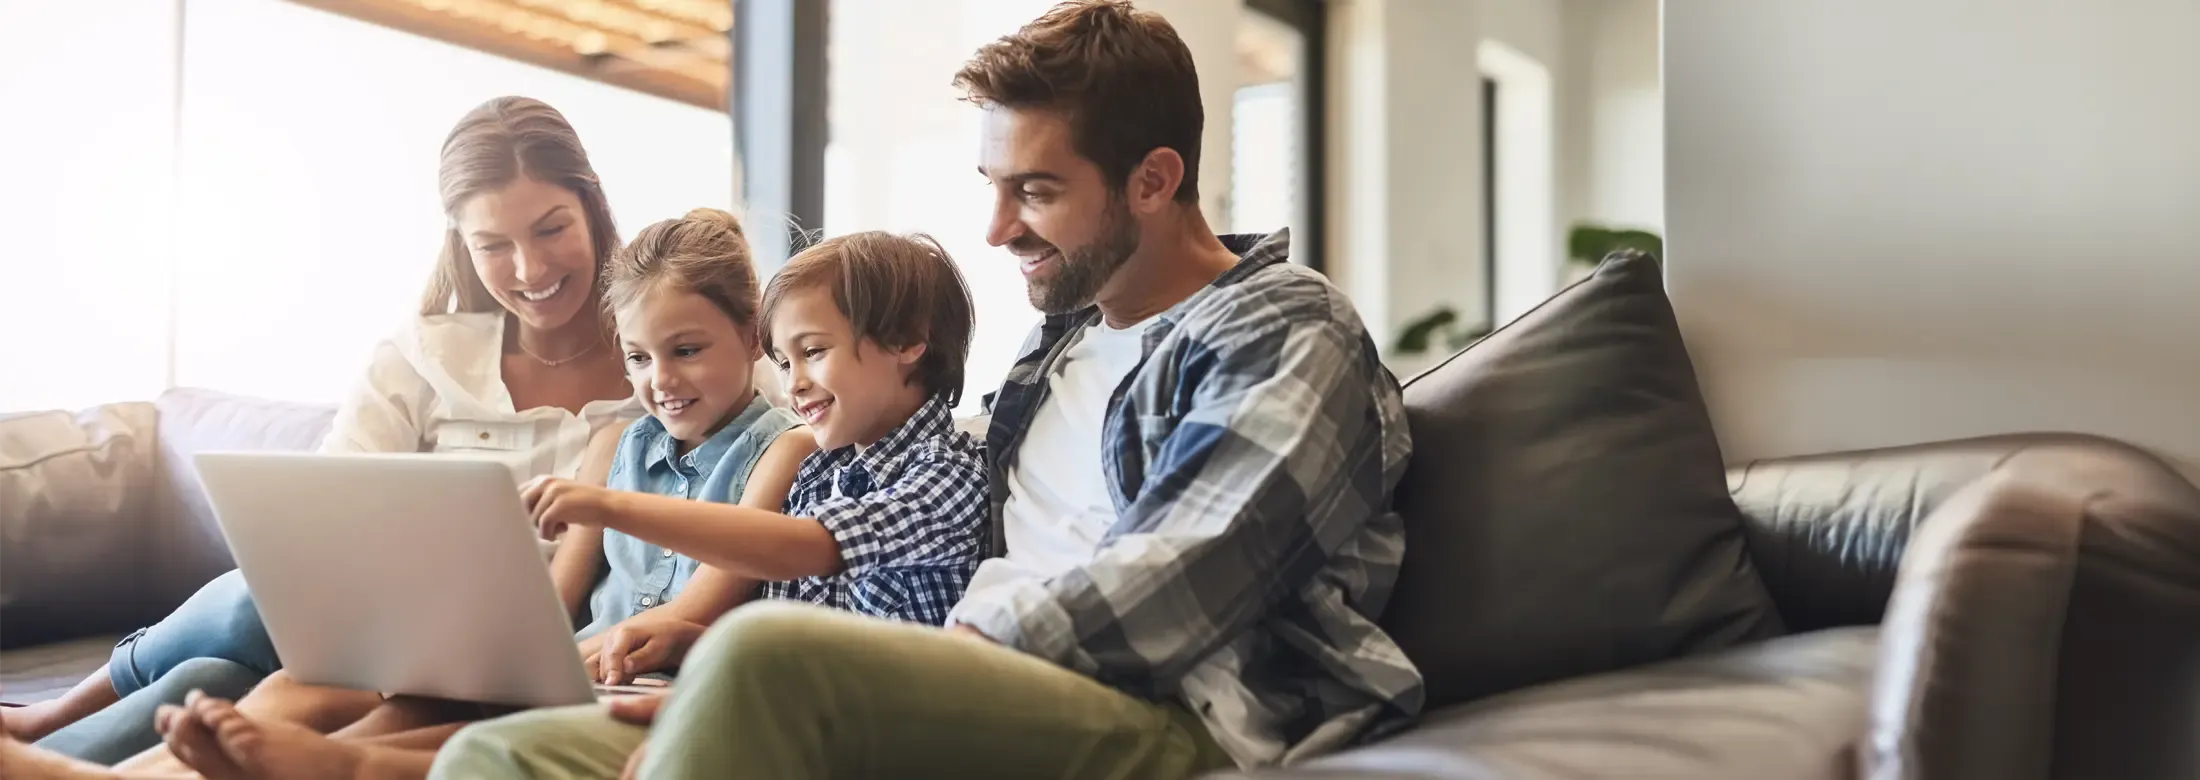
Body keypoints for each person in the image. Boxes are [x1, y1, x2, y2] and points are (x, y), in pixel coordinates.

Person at [425, 1, 1422, 778]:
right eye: (991, 186)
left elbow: (1186, 579)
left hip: (1177, 718)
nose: (995, 230)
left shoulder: (1284, 329)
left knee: (772, 658)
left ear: (1154, 180)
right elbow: (909, 478)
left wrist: (899, 667)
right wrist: (721, 642)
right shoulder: (1058, 352)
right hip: (971, 687)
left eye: (1034, 191)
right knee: (502, 754)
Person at [14, 227, 993, 780]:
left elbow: (775, 564)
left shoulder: (807, 458)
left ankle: (304, 768)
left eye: (800, 353)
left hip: (683, 668)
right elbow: (560, 599)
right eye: (641, 358)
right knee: (295, 678)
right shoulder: (754, 451)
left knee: (418, 727)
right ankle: (126, 774)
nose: (660, 380)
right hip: (585, 651)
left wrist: (609, 513)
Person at [0, 97, 770, 766]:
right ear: (459, 243)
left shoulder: (677, 376)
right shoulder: (426, 353)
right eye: (492, 244)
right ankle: (48, 730)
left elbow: (761, 488)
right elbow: (327, 507)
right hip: (400, 617)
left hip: (519, 639)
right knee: (255, 606)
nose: (530, 268)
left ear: (591, 205)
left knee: (224, 688)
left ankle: (60, 758)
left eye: (549, 228)